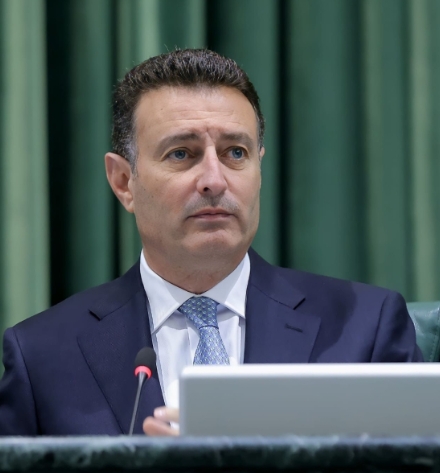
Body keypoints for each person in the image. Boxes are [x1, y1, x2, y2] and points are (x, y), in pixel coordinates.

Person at [0, 49, 422, 436]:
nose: (214, 180)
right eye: (181, 154)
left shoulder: (365, 329)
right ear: (124, 182)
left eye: (235, 152)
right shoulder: (42, 356)